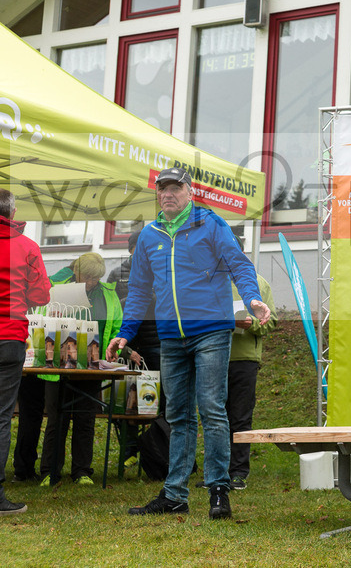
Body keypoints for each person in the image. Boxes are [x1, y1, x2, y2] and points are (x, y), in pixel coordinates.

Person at [106, 167, 271, 520]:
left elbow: (238, 264)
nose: (167, 193)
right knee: (177, 415)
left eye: (174, 188)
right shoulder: (150, 236)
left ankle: (218, 491)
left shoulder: (210, 224)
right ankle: (174, 494)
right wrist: (126, 331)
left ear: (189, 191)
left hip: (212, 330)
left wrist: (253, 298)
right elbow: (137, 290)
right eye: (162, 188)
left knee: (211, 409)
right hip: (170, 337)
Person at [39, 252, 122, 485]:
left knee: (85, 418)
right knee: (56, 420)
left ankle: (82, 471)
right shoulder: (57, 287)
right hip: (58, 366)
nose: (90, 282)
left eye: (95, 278)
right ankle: (49, 472)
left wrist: (114, 347)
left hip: (92, 365)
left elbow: (116, 325)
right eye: (86, 276)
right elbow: (41, 319)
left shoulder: (108, 294)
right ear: (75, 272)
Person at [0, 189, 52, 514]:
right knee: (2, 417)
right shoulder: (28, 247)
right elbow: (42, 295)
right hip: (10, 338)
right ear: (14, 210)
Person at [107, 228, 160, 468]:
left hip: (156, 342)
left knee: (158, 398)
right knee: (124, 397)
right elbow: (112, 309)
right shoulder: (117, 273)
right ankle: (129, 449)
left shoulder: (160, 268)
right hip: (126, 345)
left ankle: (155, 446)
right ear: (131, 249)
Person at [226, 271, 277, 490]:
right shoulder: (208, 279)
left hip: (244, 359)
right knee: (215, 418)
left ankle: (238, 473)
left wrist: (252, 324)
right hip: (212, 356)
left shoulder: (259, 283)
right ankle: (217, 472)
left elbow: (271, 321)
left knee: (240, 418)